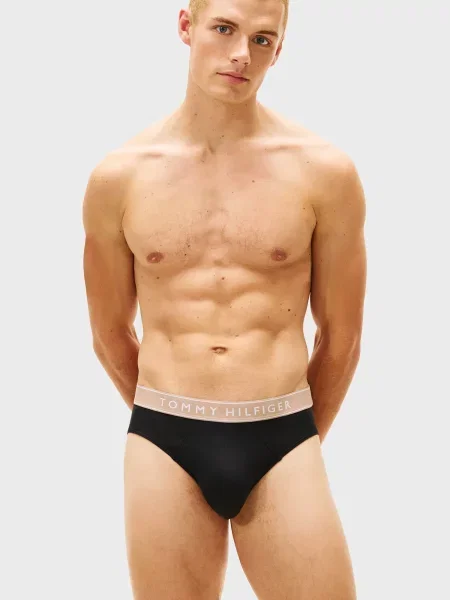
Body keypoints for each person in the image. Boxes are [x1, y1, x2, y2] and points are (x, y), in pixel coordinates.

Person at [82, 0, 367, 597]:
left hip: (283, 433)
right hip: (164, 440)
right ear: (187, 27)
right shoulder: (119, 177)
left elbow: (341, 336)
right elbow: (109, 332)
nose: (242, 54)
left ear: (279, 50)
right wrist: (165, 415)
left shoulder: (324, 173)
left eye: (263, 39)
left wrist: (296, 436)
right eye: (225, 29)